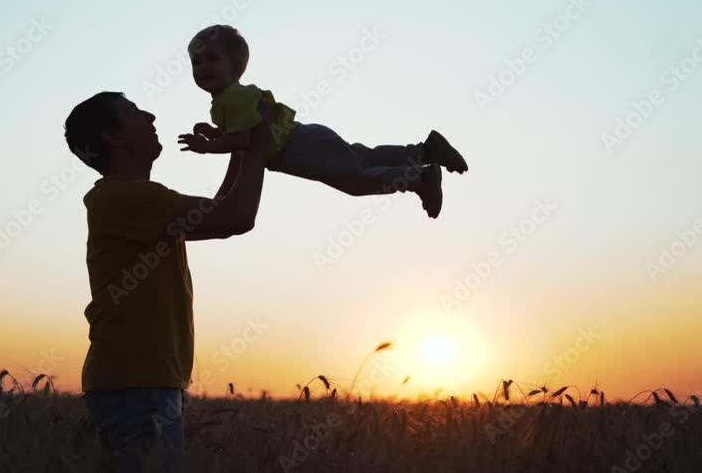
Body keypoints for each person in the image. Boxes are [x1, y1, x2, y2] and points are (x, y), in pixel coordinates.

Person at [64, 91, 272, 472]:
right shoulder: (129, 198)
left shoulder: (133, 201)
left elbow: (221, 210)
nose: (151, 115)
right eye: (133, 112)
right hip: (136, 385)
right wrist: (259, 146)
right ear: (113, 136)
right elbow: (236, 216)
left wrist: (240, 145)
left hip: (140, 382)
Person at [177, 24, 469, 218]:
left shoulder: (232, 99)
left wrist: (208, 147)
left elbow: (243, 140)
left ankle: (419, 178)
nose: (202, 68)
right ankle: (425, 151)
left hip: (299, 150)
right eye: (196, 63)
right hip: (308, 138)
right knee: (364, 159)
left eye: (212, 59)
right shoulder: (228, 100)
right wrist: (217, 134)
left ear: (237, 65)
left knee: (358, 180)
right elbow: (245, 132)